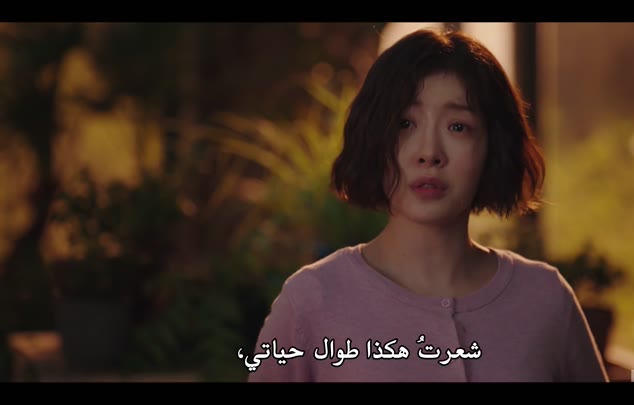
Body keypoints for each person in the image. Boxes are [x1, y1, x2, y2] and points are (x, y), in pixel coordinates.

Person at [245, 28, 609, 382]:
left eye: (458, 127)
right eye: (405, 123)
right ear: (374, 138)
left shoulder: (546, 299)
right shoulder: (312, 300)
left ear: (492, 146)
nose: (429, 153)